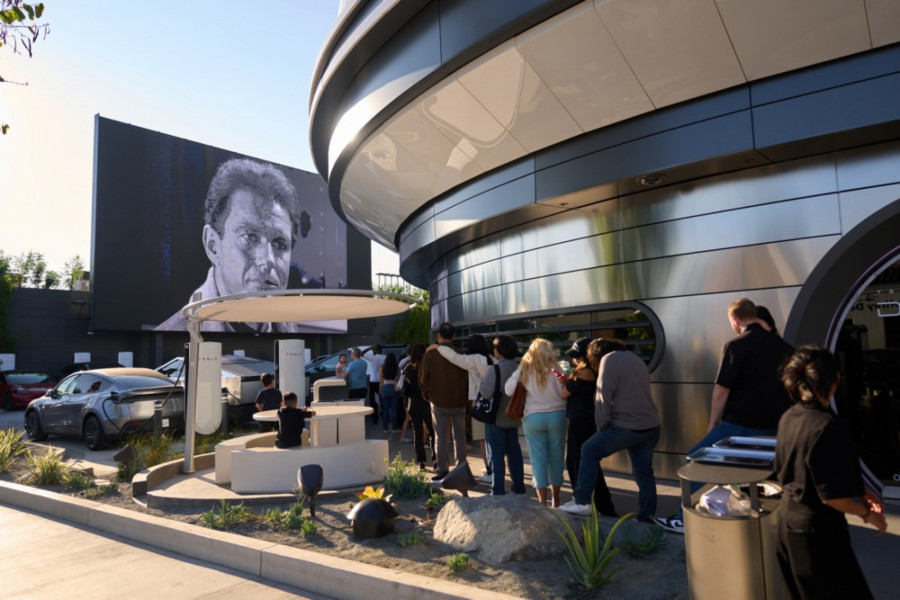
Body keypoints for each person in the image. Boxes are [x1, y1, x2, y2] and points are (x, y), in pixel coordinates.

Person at [657, 297, 795, 533]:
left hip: (742, 426)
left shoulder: (736, 345)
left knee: (696, 459)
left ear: (735, 320)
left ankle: (685, 520)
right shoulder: (785, 347)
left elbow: (722, 390)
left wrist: (712, 424)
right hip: (777, 427)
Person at [156, 157, 327, 332]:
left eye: (279, 244)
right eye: (250, 237)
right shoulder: (173, 335)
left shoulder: (289, 326)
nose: (268, 260)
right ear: (212, 245)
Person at [775, 345, 886, 599]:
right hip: (816, 534)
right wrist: (868, 515)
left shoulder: (789, 417)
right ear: (835, 379)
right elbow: (831, 497)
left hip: (787, 523)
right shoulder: (827, 426)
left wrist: (860, 490)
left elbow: (810, 471)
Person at [560, 338, 661, 522]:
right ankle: (647, 517)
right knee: (644, 473)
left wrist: (601, 427)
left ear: (596, 353)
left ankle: (582, 502)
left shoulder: (608, 360)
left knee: (589, 450)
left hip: (627, 425)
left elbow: (602, 398)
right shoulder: (635, 359)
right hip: (651, 426)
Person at [505, 338, 566, 507]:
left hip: (533, 417)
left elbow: (508, 390)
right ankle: (556, 499)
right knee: (556, 458)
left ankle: (542, 502)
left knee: (537, 459)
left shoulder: (525, 369)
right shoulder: (557, 368)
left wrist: (520, 367)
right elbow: (565, 389)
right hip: (557, 415)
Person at [561, 337, 617, 516]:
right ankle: (595, 503)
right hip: (581, 419)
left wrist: (566, 381)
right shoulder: (589, 371)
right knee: (580, 462)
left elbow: (564, 394)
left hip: (582, 421)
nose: (574, 359)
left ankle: (586, 501)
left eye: (577, 356)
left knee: (578, 462)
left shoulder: (586, 372)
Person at [435, 334, 496, 483]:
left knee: (483, 439)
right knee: (494, 437)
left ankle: (490, 471)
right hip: (496, 402)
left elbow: (454, 358)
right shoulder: (492, 360)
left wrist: (438, 347)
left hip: (481, 403)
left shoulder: (473, 359)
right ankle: (494, 468)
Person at [419, 322, 468, 481]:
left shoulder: (431, 354)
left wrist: (428, 395)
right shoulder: (460, 353)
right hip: (459, 400)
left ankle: (443, 469)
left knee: (440, 437)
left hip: (438, 400)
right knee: (459, 435)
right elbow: (467, 378)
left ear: (439, 335)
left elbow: (424, 378)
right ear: (453, 336)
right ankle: (461, 467)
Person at [479, 335, 526, 496]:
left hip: (496, 417)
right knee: (514, 452)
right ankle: (519, 487)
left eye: (494, 347)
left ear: (500, 350)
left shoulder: (495, 369)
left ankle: (498, 489)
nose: (493, 350)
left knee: (496, 454)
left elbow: (486, 393)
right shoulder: (519, 368)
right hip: (514, 417)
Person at [402, 344, 436, 469]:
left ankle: (421, 461)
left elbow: (405, 390)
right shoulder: (427, 367)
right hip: (427, 402)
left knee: (417, 433)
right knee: (433, 432)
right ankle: (436, 459)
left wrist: (407, 405)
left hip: (413, 404)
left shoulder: (407, 369)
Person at [361, 345, 387, 425]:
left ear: (375, 350)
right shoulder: (385, 357)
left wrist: (369, 348)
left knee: (373, 400)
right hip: (382, 380)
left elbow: (362, 353)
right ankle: (384, 415)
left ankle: (374, 418)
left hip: (373, 380)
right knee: (382, 398)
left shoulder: (373, 357)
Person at [379, 353, 401, 433]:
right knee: (394, 410)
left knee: (385, 409)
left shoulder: (382, 368)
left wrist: (380, 390)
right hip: (394, 388)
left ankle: (385, 428)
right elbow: (399, 378)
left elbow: (381, 382)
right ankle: (394, 428)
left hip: (385, 388)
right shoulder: (396, 368)